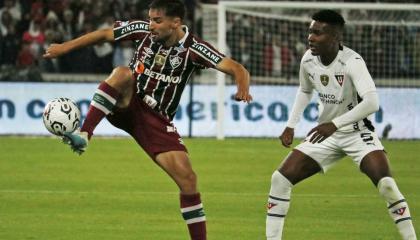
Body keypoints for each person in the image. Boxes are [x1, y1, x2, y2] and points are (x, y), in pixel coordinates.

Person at [43, 1, 252, 239]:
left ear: (176, 23)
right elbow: (104, 34)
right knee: (122, 73)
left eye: (158, 20)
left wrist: (242, 87)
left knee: (188, 180)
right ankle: (85, 134)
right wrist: (65, 48)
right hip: (127, 102)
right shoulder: (142, 30)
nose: (151, 25)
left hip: (156, 120)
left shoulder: (195, 48)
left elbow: (237, 68)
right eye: (150, 19)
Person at [265, 10, 417, 240]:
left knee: (386, 184)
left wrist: (334, 124)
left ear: (336, 37)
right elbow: (305, 90)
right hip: (326, 135)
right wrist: (291, 124)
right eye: (310, 32)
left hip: (357, 133)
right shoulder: (308, 59)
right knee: (280, 179)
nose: (311, 37)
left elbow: (372, 102)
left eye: (318, 33)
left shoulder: (352, 62)